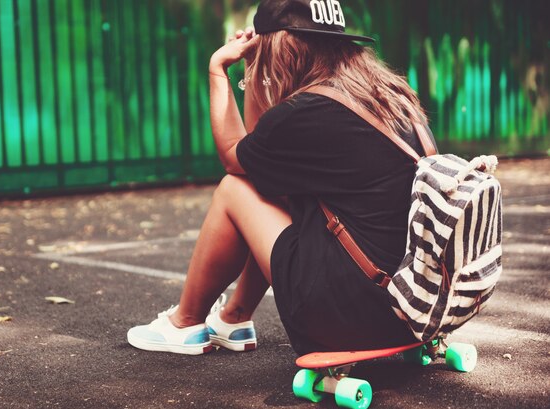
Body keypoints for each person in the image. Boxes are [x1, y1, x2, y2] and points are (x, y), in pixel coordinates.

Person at [127, 0, 436, 356]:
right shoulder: (391, 99)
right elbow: (263, 158)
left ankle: (185, 323)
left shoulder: (308, 112)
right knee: (278, 187)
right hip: (412, 307)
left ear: (278, 47)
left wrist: (218, 70)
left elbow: (235, 156)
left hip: (353, 317)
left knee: (234, 189)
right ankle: (235, 317)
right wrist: (252, 66)